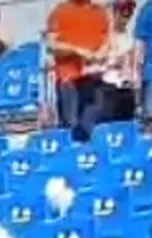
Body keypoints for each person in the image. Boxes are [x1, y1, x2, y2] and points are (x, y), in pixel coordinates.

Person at [46, 0, 110, 141]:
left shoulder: (100, 13)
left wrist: (99, 55)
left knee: (91, 128)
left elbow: (106, 42)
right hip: (68, 79)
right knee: (70, 128)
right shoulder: (60, 11)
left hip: (93, 79)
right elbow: (52, 45)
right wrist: (78, 51)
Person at [101, 0, 138, 122]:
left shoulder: (129, 38)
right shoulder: (104, 36)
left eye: (128, 14)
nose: (125, 18)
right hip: (107, 87)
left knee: (126, 123)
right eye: (122, 13)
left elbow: (132, 63)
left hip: (125, 88)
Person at [135, 0, 152, 132]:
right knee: (151, 122)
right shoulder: (150, 8)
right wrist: (136, 74)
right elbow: (139, 44)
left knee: (151, 120)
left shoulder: (149, 8)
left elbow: (139, 44)